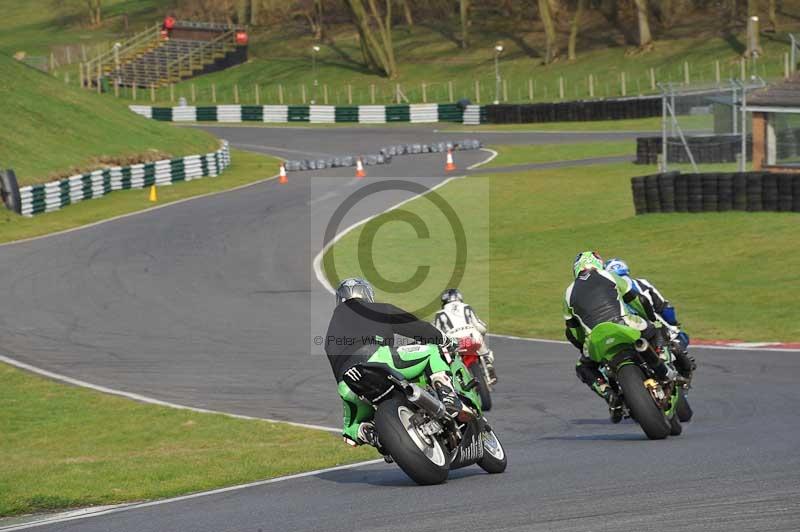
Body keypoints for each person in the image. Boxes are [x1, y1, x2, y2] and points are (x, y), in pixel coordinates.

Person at [325, 278, 464, 448]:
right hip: (378, 358)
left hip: (348, 384)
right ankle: (448, 396)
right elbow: (416, 327)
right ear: (365, 294)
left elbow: (337, 373)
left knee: (349, 430)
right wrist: (444, 339)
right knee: (431, 351)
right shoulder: (375, 309)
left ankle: (368, 433)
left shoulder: (330, 333)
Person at [564, 251, 677, 423]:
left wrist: (584, 347)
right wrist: (651, 319)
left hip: (596, 338)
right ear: (598, 263)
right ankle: (662, 360)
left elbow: (572, 332)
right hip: (624, 325)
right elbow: (638, 300)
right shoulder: (608, 275)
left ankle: (609, 395)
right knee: (656, 328)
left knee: (584, 367)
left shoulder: (568, 293)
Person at [604, 258, 695, 378]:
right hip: (652, 329)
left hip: (623, 333)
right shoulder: (642, 284)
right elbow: (664, 308)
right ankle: (680, 369)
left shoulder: (605, 294)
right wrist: (673, 323)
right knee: (678, 338)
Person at [433, 288, 496, 383]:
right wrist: (482, 333)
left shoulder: (440, 314)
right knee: (481, 343)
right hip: (472, 335)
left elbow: (436, 333)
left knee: (448, 360)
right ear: (459, 297)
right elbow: (480, 326)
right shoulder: (467, 307)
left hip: (453, 340)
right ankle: (487, 362)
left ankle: (456, 378)